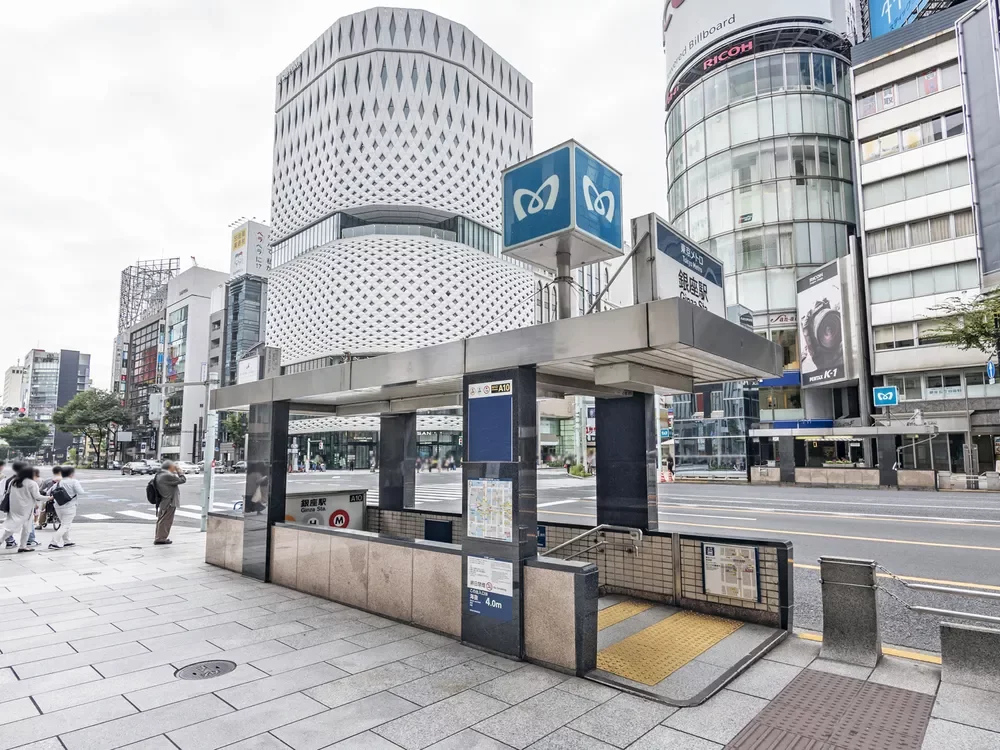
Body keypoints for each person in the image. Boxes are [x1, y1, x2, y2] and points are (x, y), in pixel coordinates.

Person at [1, 465, 46, 552]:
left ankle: (3, 540)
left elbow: (8, 493)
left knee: (12, 526)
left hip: (14, 508)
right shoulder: (32, 483)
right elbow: (37, 496)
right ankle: (23, 546)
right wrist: (49, 498)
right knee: (26, 527)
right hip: (26, 509)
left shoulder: (13, 481)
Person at [153, 460, 186, 545]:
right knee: (166, 520)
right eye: (173, 467)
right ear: (170, 467)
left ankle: (159, 537)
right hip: (169, 501)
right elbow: (183, 479)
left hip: (164, 501)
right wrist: (179, 470)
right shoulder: (168, 475)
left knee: (162, 519)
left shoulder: (160, 474)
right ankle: (161, 538)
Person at [49, 466, 82, 550]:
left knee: (64, 524)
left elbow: (49, 493)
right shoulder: (74, 482)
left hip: (58, 506)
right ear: (71, 474)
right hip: (69, 506)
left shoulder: (57, 483)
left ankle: (67, 541)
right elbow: (81, 492)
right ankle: (54, 542)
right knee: (65, 525)